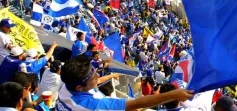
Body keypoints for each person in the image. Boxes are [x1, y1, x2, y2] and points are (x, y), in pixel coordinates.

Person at [57, 55, 194, 111]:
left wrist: (112, 75)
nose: (98, 76)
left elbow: (96, 81)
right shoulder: (95, 106)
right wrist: (173, 95)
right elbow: (136, 104)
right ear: (79, 87)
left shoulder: (67, 85)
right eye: (93, 77)